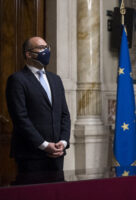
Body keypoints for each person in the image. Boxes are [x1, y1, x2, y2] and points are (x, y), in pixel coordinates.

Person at [6, 36, 71, 184]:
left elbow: (65, 115)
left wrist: (63, 141)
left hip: (57, 154)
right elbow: (20, 119)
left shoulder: (56, 79)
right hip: (31, 155)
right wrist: (44, 145)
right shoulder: (17, 80)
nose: (46, 51)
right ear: (28, 54)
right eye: (41, 48)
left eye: (47, 47)